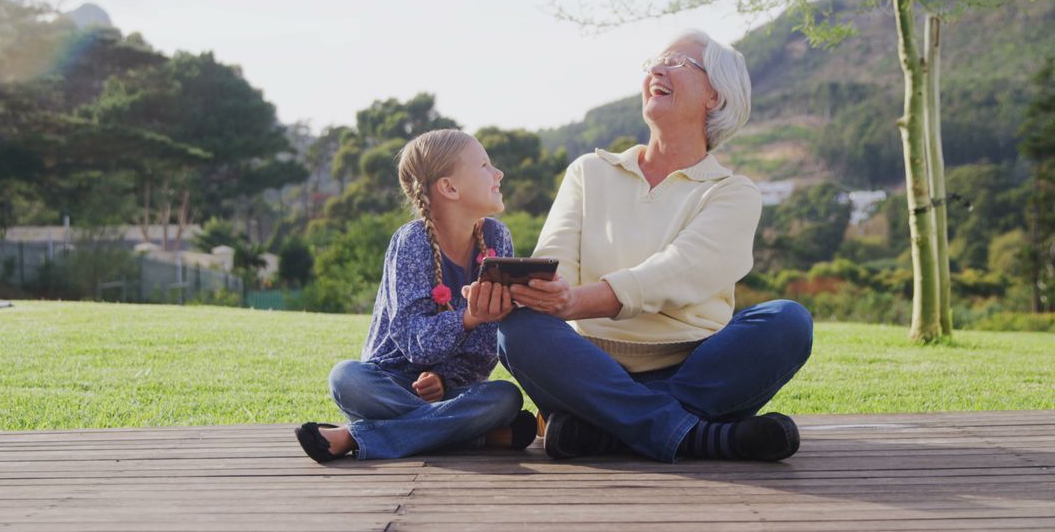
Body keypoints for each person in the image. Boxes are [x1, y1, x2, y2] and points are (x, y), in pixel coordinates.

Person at [498, 30, 814, 463]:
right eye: (655, 62)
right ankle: (698, 436)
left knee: (788, 321)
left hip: (693, 368)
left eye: (679, 63)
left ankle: (604, 429)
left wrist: (573, 302)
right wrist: (539, 292)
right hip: (591, 367)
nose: (657, 70)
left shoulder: (733, 193)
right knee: (519, 328)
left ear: (716, 97)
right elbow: (554, 261)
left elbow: (678, 270)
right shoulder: (589, 171)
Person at [296, 129, 537, 462]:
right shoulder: (411, 242)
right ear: (449, 188)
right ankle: (477, 433)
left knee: (505, 397)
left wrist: (444, 378)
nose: (498, 174)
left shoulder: (498, 237)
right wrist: (469, 316)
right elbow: (415, 341)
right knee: (346, 378)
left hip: (453, 390)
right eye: (484, 165)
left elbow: (486, 345)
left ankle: (357, 436)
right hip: (391, 382)